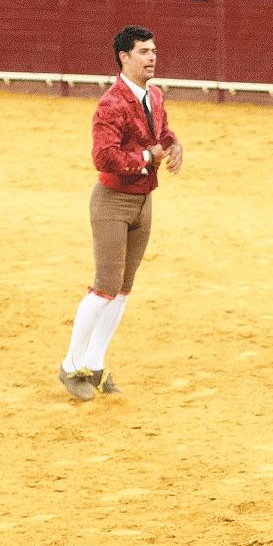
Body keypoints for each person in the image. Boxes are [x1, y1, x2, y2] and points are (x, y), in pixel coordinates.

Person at [59, 25, 182, 403]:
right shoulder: (111, 103)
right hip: (112, 200)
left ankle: (95, 363)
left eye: (154, 50)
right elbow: (103, 157)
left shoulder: (154, 95)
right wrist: (148, 157)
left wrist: (174, 144)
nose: (152, 57)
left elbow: (160, 131)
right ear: (123, 57)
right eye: (144, 52)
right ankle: (69, 366)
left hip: (143, 201)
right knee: (104, 287)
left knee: (123, 289)